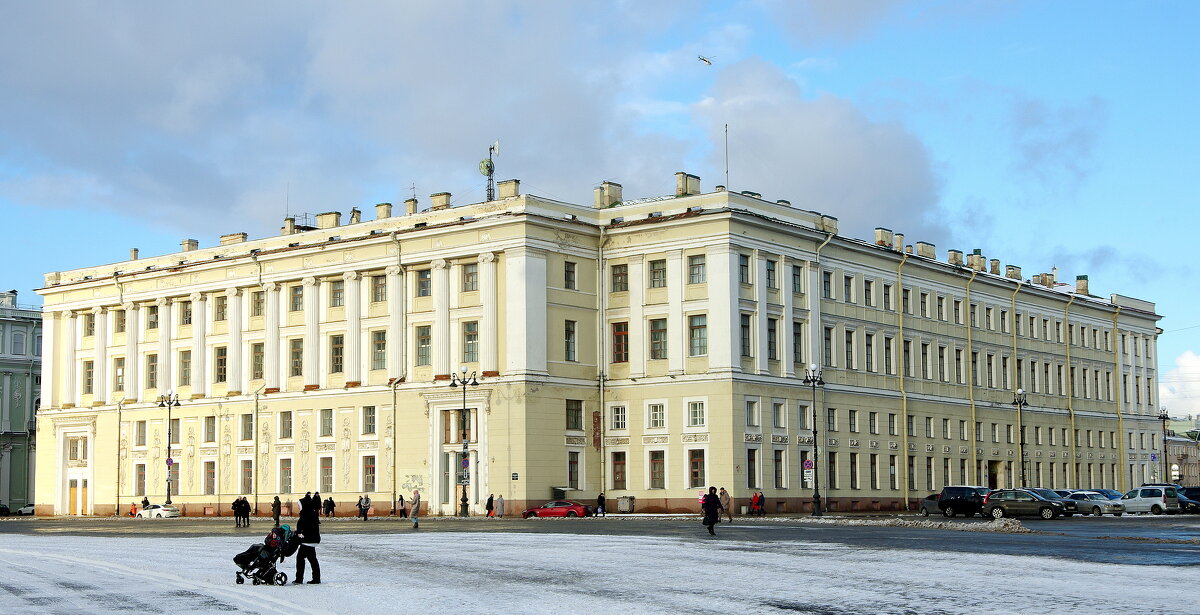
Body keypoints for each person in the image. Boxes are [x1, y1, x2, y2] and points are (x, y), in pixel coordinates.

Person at [293, 493, 322, 585]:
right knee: (312, 559)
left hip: (307, 540)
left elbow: (305, 527)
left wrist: (300, 533)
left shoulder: (305, 515)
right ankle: (316, 578)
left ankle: (299, 579)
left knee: (300, 558)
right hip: (312, 540)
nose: (298, 507)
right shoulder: (311, 513)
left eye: (299, 505)